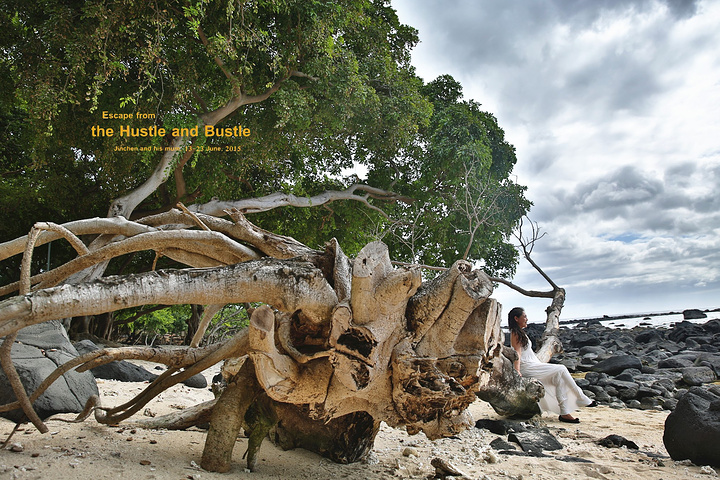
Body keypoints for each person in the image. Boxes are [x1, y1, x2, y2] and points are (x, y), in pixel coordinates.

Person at [508, 307, 596, 423]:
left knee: (558, 377)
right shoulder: (515, 333)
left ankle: (564, 413)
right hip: (527, 367)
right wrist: (517, 370)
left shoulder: (520, 332)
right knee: (561, 369)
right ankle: (581, 397)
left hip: (533, 364)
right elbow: (517, 353)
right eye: (524, 316)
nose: (527, 319)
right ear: (516, 318)